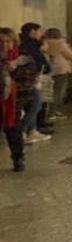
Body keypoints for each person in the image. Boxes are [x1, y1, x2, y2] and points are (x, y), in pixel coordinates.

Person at [18, 23, 51, 141]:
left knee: (34, 105)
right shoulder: (30, 45)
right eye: (39, 31)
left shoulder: (30, 44)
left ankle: (32, 130)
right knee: (35, 105)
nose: (41, 34)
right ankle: (22, 130)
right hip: (32, 79)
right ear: (32, 32)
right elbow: (37, 60)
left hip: (32, 78)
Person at [0, 28, 26, 172]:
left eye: (8, 41)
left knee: (14, 132)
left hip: (14, 102)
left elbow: (30, 75)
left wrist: (15, 68)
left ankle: (18, 158)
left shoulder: (21, 57)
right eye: (1, 41)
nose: (4, 45)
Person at [43, 28, 72, 118]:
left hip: (49, 68)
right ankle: (53, 112)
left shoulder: (44, 43)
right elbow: (71, 55)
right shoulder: (60, 43)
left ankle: (49, 112)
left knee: (49, 92)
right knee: (58, 92)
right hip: (61, 69)